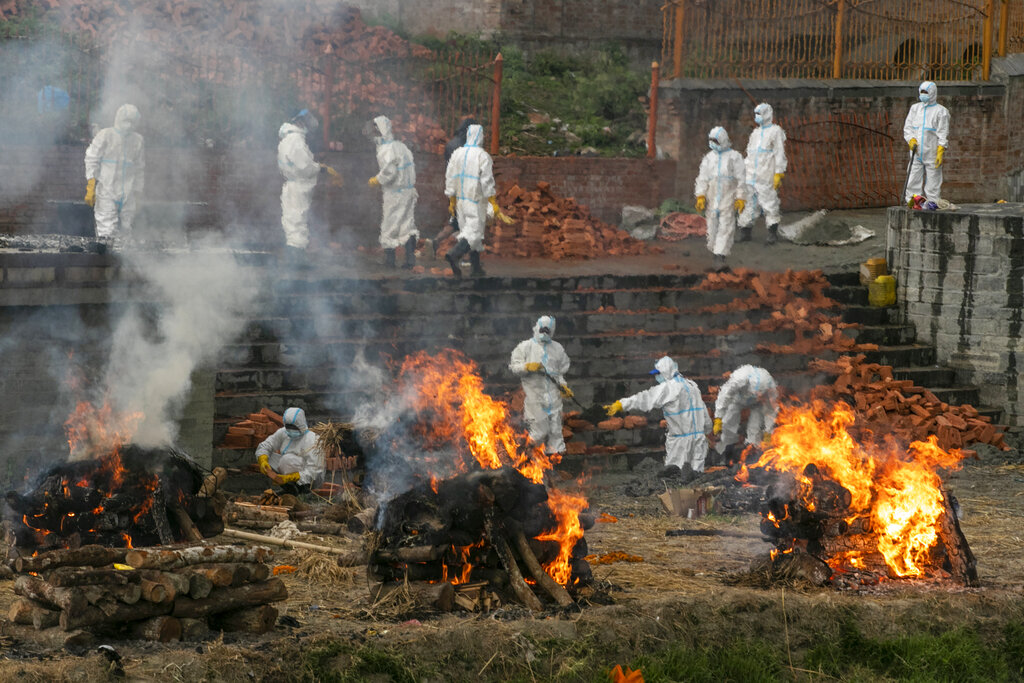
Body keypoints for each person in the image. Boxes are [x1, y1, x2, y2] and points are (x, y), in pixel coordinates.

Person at [604, 356, 711, 472]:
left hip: (681, 443)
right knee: (696, 477)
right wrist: (706, 430)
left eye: (658, 373)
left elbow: (645, 398)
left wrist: (622, 404)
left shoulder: (668, 388)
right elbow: (703, 410)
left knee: (675, 477)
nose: (657, 377)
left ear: (665, 372)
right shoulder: (692, 386)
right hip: (699, 440)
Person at [443, 123, 512, 278]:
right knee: (473, 234)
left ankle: (476, 269)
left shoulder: (457, 154)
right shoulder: (482, 156)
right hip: (475, 202)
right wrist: (493, 201)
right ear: (480, 136)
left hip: (460, 202)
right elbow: (487, 181)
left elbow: (450, 176)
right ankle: (454, 254)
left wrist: (452, 199)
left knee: (470, 233)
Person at [277, 109, 341, 255]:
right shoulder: (296, 141)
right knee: (298, 219)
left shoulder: (286, 140)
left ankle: (292, 257)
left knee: (291, 220)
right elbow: (304, 166)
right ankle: (296, 258)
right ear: (300, 122)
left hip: (291, 184)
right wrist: (321, 168)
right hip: (298, 186)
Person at [509, 315, 573, 455]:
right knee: (538, 432)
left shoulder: (557, 349)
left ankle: (555, 463)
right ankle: (526, 457)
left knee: (556, 431)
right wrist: (527, 367)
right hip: (534, 397)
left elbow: (559, 373)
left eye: (547, 331)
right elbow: (514, 366)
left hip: (554, 397)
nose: (544, 333)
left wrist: (564, 387)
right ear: (535, 328)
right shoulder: (525, 347)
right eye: (542, 329)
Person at [84, 104, 145, 248]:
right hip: (107, 189)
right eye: (126, 120)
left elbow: (139, 168)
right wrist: (91, 185)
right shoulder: (106, 135)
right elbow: (91, 159)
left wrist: (138, 193)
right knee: (106, 231)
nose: (129, 125)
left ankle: (125, 264)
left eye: (132, 121)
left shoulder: (137, 140)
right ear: (118, 118)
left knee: (127, 229)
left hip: (128, 192)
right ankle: (106, 262)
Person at [367, 115, 419, 269]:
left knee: (389, 225)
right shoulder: (400, 146)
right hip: (408, 192)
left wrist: (377, 180)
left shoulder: (387, 149)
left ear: (380, 130)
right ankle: (410, 260)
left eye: (375, 130)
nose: (372, 133)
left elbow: (390, 172)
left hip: (395, 193)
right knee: (406, 225)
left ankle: (389, 261)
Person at [424, 117, 479, 261]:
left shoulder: (450, 145)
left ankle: (434, 242)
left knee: (455, 221)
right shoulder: (468, 146)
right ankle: (465, 257)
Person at [695, 126, 747, 270]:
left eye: (716, 140)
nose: (713, 143)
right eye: (711, 140)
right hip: (712, 197)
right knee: (711, 226)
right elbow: (702, 178)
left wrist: (741, 197)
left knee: (726, 226)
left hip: (728, 196)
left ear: (723, 140)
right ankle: (714, 252)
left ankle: (720, 256)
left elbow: (741, 178)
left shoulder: (734, 157)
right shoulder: (708, 158)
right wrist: (700, 195)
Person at [738, 103, 787, 245]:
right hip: (751, 174)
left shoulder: (775, 131)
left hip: (766, 175)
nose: (757, 117)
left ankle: (772, 233)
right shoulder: (756, 133)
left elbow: (779, 153)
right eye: (756, 114)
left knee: (769, 203)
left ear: (767, 114)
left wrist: (779, 172)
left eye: (759, 114)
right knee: (748, 203)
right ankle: (745, 232)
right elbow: (750, 154)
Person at [712, 365, 779, 460]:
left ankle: (751, 453)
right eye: (758, 392)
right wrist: (718, 417)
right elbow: (725, 396)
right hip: (736, 399)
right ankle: (724, 455)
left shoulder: (770, 385)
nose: (760, 394)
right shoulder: (740, 378)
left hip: (756, 403)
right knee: (729, 422)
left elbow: (771, 410)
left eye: (762, 392)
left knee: (755, 426)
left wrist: (768, 432)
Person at [256, 407, 324, 495]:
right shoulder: (283, 433)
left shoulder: (313, 439)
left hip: (311, 479)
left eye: (293, 426)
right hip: (290, 465)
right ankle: (289, 489)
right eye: (288, 426)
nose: (290, 429)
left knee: (287, 459)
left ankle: (303, 490)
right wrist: (263, 460)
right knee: (269, 457)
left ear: (300, 424)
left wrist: (290, 477)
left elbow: (314, 471)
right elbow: (265, 445)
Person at [903, 81, 949, 204]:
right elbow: (908, 128)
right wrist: (911, 139)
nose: (923, 95)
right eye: (921, 92)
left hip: (932, 152)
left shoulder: (941, 112)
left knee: (933, 180)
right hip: (916, 152)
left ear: (933, 93)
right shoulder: (915, 109)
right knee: (913, 178)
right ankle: (913, 203)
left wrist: (940, 150)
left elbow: (943, 132)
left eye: (926, 92)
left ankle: (932, 203)